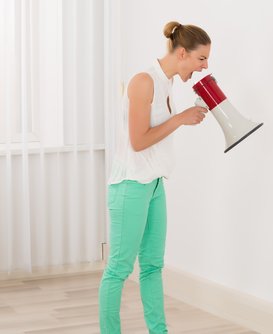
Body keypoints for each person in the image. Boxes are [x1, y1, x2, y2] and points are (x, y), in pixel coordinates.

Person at [99, 21, 211, 334]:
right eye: (202, 59)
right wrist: (180, 119)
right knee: (119, 269)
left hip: (154, 184)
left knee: (152, 266)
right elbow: (138, 140)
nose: (205, 66)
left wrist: (184, 118)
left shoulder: (167, 83)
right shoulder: (143, 81)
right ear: (183, 53)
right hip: (130, 185)